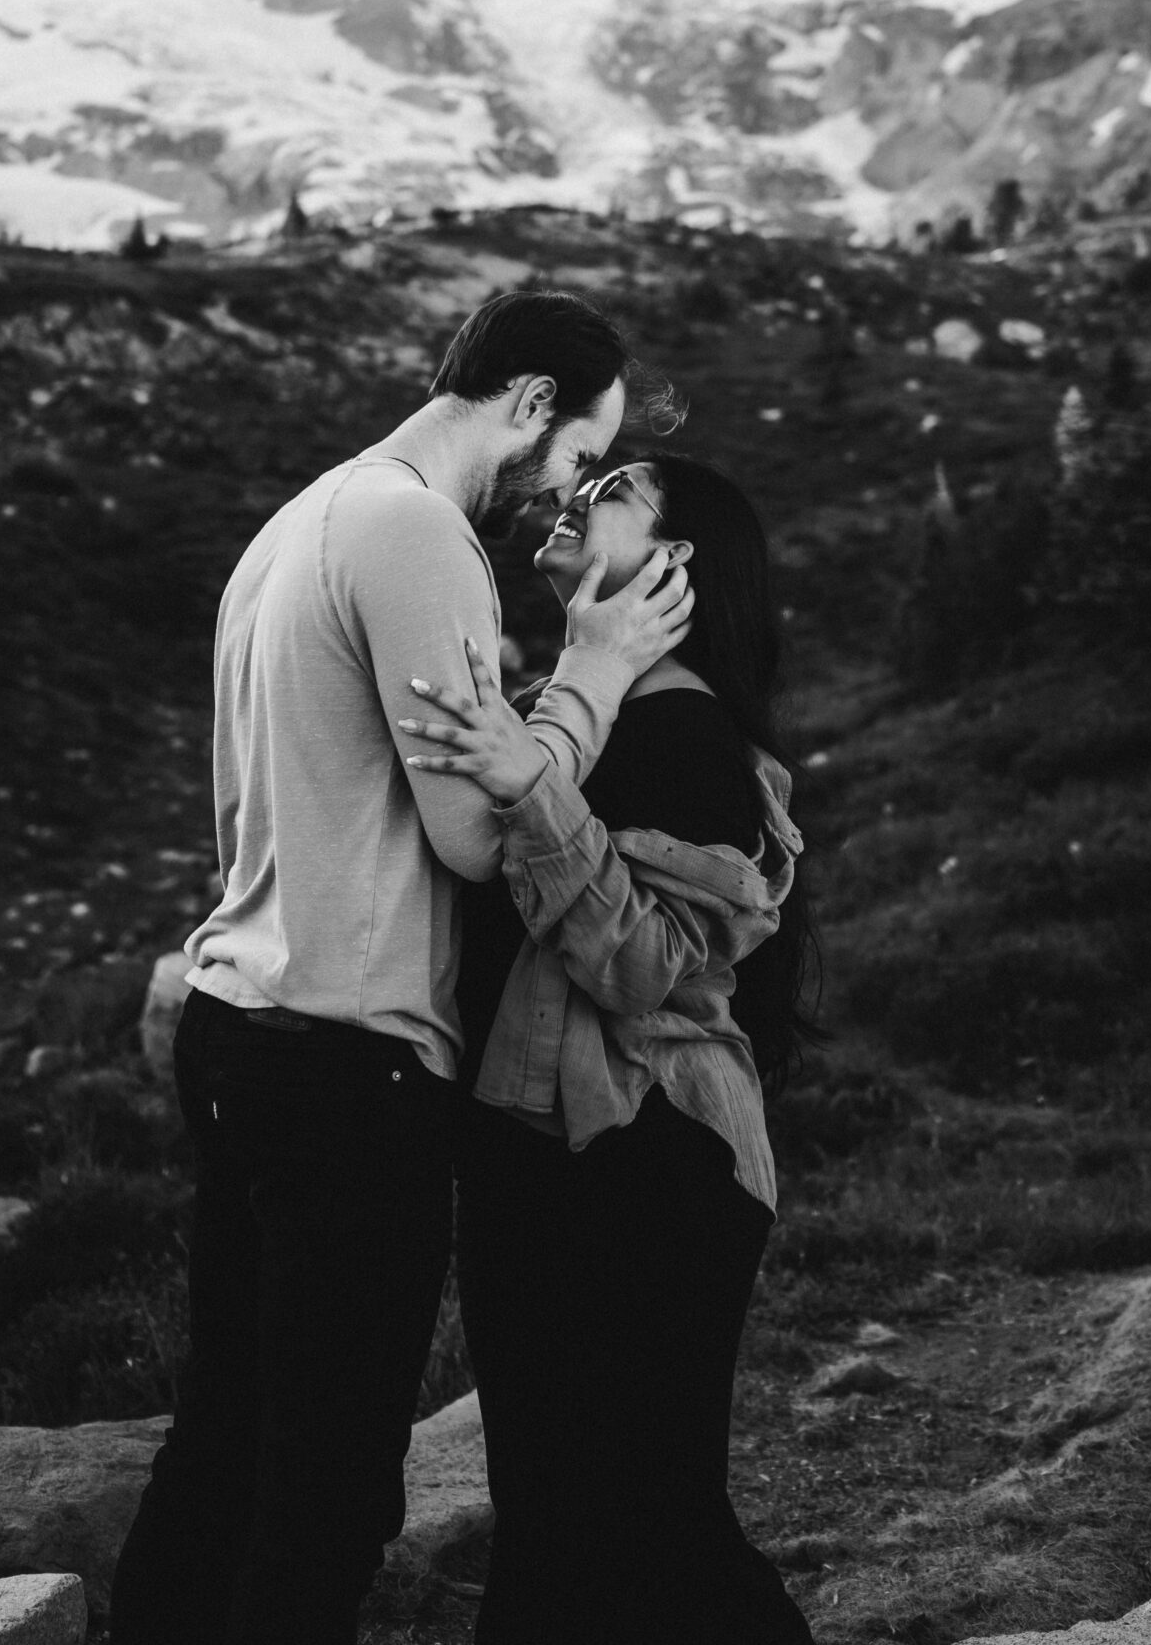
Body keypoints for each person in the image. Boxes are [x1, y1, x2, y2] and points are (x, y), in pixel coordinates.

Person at [108, 290, 692, 1645]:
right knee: (328, 1481)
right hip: (344, 1060)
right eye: (575, 450)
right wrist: (593, 673)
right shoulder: (416, 530)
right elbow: (479, 838)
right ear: (532, 400)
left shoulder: (300, 520)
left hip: (240, 1021)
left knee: (226, 1439)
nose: (565, 485)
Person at [401, 452, 817, 1645]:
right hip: (538, 1152)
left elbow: (640, 968)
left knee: (648, 1515)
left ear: (675, 562)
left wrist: (534, 790)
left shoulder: (686, 733)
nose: (570, 497)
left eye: (617, 488)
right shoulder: (576, 709)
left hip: (650, 1163)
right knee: (547, 1516)